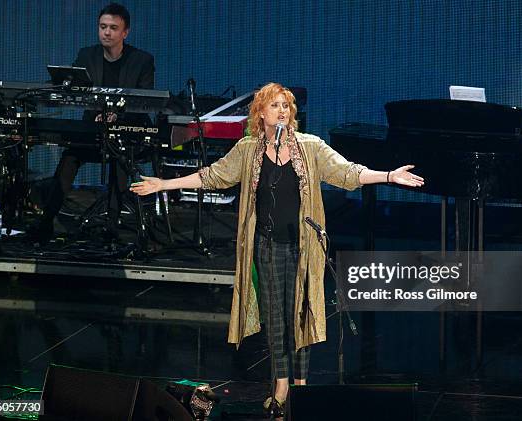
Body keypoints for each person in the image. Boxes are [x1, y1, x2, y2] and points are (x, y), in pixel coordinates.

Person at [130, 82, 424, 415]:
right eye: (274, 105)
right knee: (276, 319)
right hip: (268, 246)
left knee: (301, 317)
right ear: (260, 113)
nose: (282, 110)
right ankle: (281, 383)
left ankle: (301, 386)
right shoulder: (249, 149)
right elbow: (213, 176)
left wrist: (388, 176)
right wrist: (163, 184)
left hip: (303, 248)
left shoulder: (310, 147)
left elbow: (347, 173)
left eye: (286, 105)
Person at [36, 2, 155, 243]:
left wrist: (117, 116)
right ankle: (45, 221)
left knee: (120, 159)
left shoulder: (142, 60)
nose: (107, 32)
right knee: (70, 157)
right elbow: (76, 91)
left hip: (126, 132)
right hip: (93, 129)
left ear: (125, 32)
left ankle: (110, 228)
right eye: (103, 27)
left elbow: (144, 101)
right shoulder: (86, 55)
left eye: (113, 27)